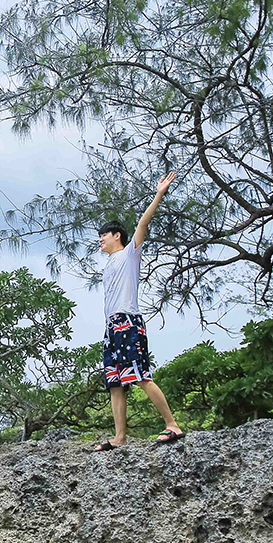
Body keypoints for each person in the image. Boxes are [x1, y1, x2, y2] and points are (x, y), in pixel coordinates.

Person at [91, 172, 185, 451]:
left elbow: (144, 222)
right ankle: (120, 438)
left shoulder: (129, 253)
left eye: (103, 235)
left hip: (129, 323)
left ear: (116, 235)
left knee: (140, 375)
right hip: (112, 326)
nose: (100, 240)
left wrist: (159, 194)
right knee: (115, 382)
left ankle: (172, 425)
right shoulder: (108, 264)